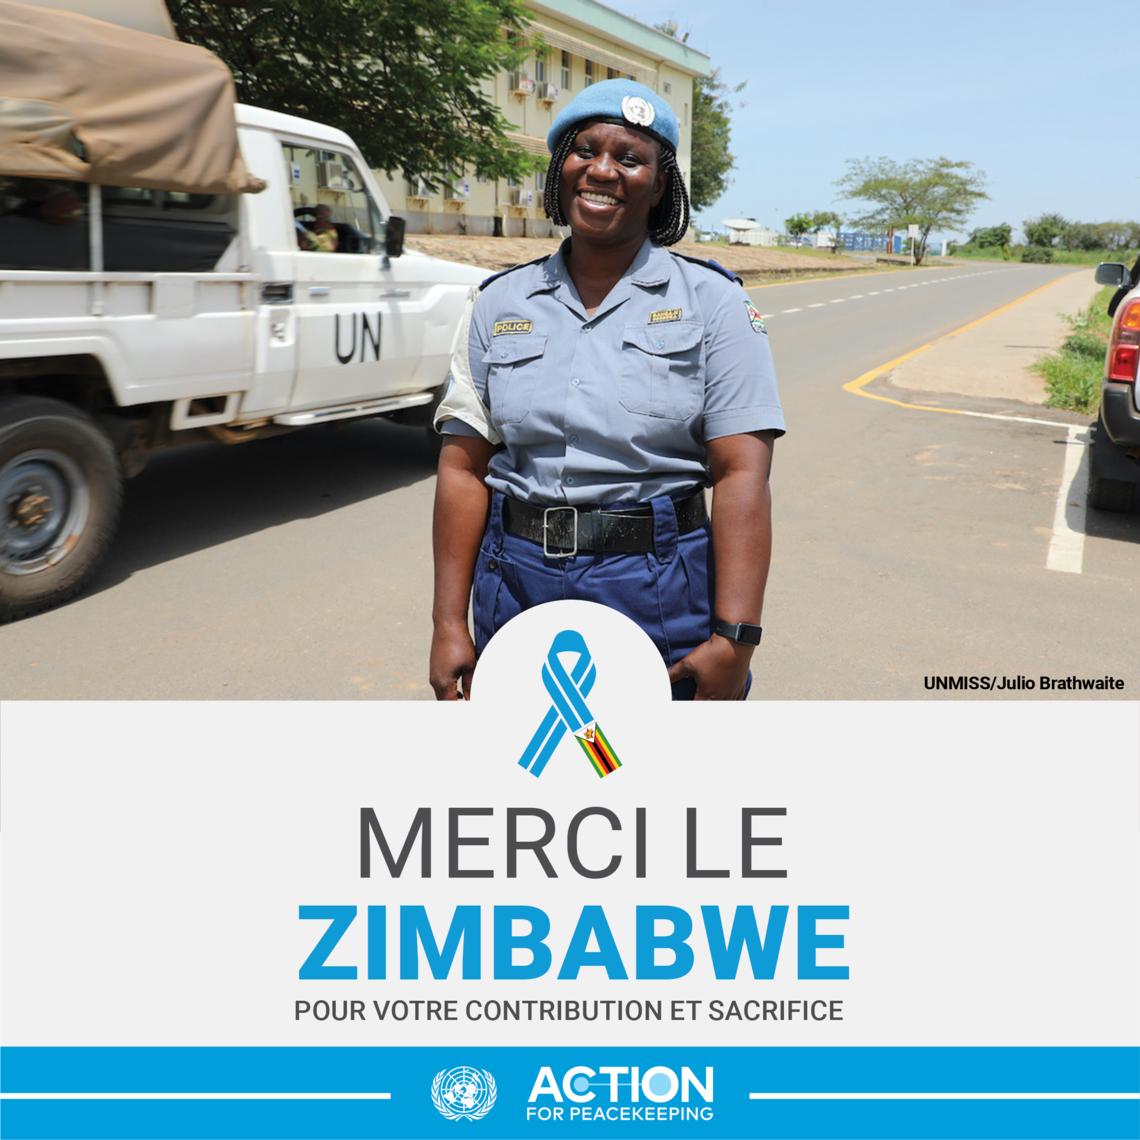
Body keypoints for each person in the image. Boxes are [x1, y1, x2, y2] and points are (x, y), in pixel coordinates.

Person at [430, 79, 784, 702]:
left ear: (660, 185)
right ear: (559, 169)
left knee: (646, 761)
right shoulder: (494, 302)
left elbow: (741, 475)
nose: (602, 170)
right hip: (515, 582)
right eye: (585, 151)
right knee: (531, 756)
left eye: (629, 158)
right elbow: (462, 471)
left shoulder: (715, 303)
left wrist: (735, 637)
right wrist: (448, 623)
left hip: (656, 587)